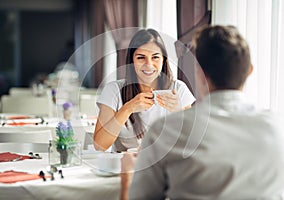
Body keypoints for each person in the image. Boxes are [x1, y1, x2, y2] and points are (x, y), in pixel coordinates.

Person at [121, 25, 284, 199]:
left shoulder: (166, 131)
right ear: (250, 70)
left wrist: (126, 178)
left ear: (200, 74)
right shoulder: (278, 127)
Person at [94, 29, 195, 152]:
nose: (149, 64)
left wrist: (179, 111)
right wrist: (127, 109)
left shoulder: (178, 89)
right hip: (126, 166)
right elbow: (99, 145)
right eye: (141, 58)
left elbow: (193, 143)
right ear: (132, 61)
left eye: (155, 57)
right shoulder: (113, 90)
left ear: (163, 60)